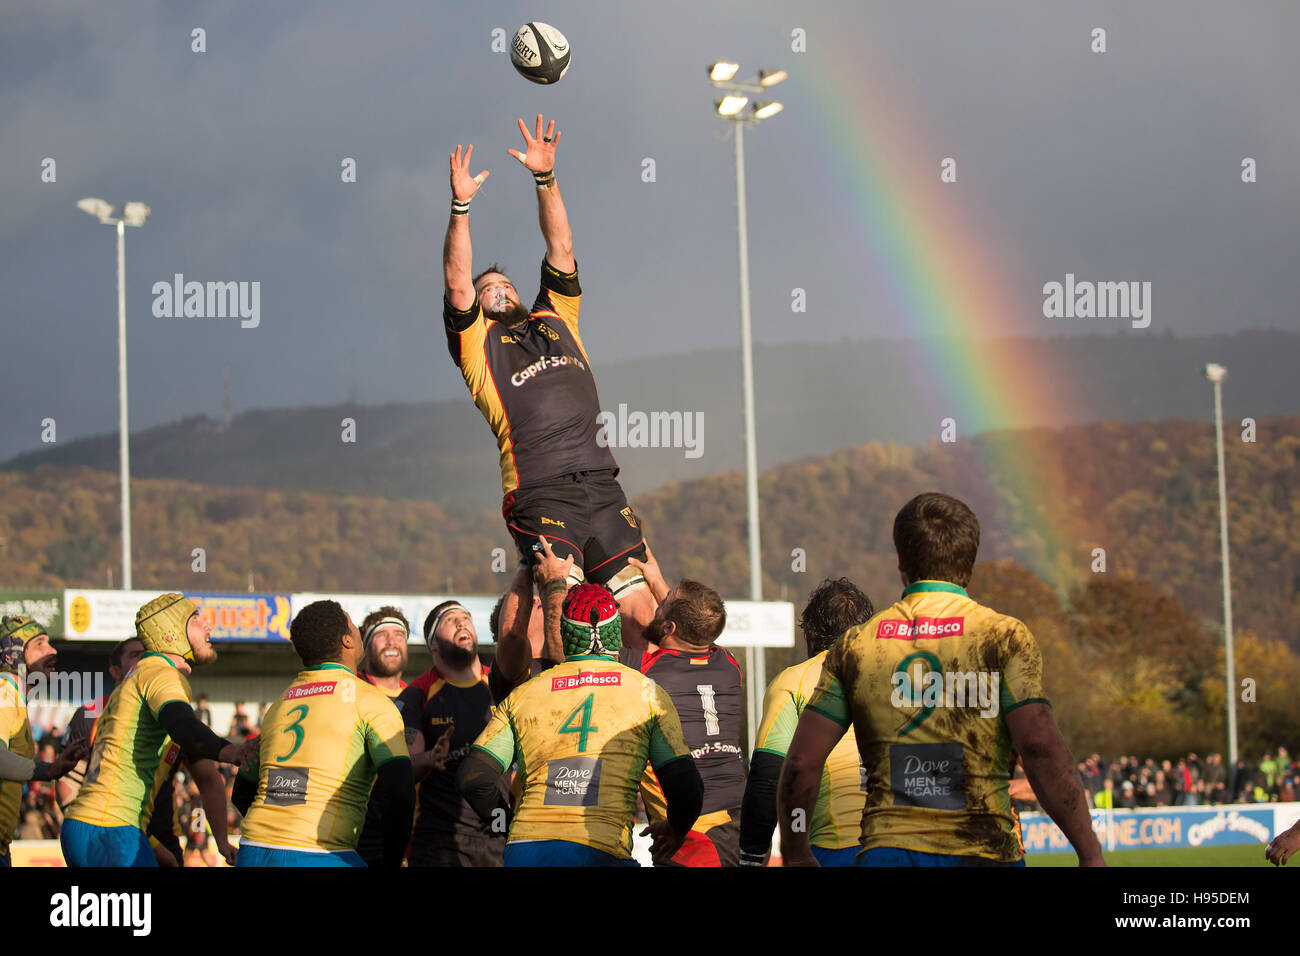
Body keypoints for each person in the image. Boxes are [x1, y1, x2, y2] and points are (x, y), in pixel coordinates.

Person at [778, 492, 1105, 867]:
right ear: (970, 559)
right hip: (983, 852)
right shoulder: (1004, 636)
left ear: (901, 560)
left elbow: (803, 760)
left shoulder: (857, 645)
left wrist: (795, 851)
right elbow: (1038, 744)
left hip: (889, 855)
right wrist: (1089, 851)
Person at [440, 114, 657, 647]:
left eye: (505, 284)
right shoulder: (478, 348)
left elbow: (560, 247)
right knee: (560, 600)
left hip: (602, 484)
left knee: (643, 611)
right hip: (542, 490)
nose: (497, 291)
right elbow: (455, 281)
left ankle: (659, 703)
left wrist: (545, 177)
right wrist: (461, 207)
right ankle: (557, 708)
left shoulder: (557, 317)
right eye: (487, 288)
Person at [458, 583, 703, 866]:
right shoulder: (646, 693)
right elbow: (687, 789)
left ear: (565, 634)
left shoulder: (524, 694)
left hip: (527, 850)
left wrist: (506, 824)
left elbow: (474, 778)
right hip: (602, 849)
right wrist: (676, 827)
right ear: (615, 633)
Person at [62, 594, 248, 867]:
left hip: (102, 824)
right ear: (172, 632)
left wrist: (151, 845)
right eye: (196, 619)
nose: (208, 626)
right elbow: (183, 725)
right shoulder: (162, 673)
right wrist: (232, 751)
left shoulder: (138, 678)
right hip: (111, 828)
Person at [233, 600, 413, 867]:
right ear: (347, 641)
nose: (357, 630)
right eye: (353, 624)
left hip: (253, 850)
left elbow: (241, 792)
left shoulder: (280, 704)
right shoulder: (371, 702)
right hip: (320, 854)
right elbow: (400, 792)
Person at [740, 578, 875, 867]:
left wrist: (751, 856)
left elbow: (767, 778)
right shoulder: (896, 676)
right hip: (902, 844)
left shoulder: (796, 679)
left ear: (812, 637)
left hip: (835, 849)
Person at [618, 558, 743, 867]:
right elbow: (694, 626)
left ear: (670, 626)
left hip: (692, 831)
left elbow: (582, 645)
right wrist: (657, 580)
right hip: (741, 818)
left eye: (662, 605)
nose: (655, 608)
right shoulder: (729, 665)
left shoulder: (643, 671)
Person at [397, 600, 507, 866]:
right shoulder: (417, 694)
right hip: (440, 842)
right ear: (433, 644)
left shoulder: (501, 686)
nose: (462, 622)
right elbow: (403, 770)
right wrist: (428, 759)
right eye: (449, 619)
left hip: (499, 836)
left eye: (466, 617)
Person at [0, 616, 87, 868]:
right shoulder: (5, 690)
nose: (53, 651)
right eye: (40, 643)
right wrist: (48, 770)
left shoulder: (14, 695)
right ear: (13, 652)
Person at [56, 635, 144, 813]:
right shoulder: (89, 714)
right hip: (106, 827)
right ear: (115, 671)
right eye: (136, 655)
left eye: (147, 655)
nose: (143, 661)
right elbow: (67, 781)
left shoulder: (169, 713)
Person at [353, 606, 411, 868]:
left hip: (410, 838)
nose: (391, 641)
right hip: (356, 837)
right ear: (365, 648)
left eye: (399, 634)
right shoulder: (351, 690)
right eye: (382, 635)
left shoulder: (419, 697)